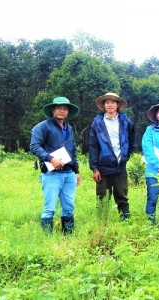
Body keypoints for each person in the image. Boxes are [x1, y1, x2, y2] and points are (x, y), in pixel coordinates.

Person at [30, 96, 81, 235]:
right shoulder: (42, 127)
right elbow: (34, 146)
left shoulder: (69, 128)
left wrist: (76, 171)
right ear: (53, 110)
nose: (62, 111)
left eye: (65, 109)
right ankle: (47, 239)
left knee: (69, 207)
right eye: (59, 108)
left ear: (68, 112)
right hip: (51, 174)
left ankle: (67, 236)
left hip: (68, 174)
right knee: (49, 208)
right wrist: (50, 158)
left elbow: (72, 151)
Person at [89, 92, 135, 221]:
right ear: (103, 105)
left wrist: (125, 156)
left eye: (113, 102)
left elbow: (132, 142)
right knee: (102, 195)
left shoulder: (126, 122)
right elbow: (93, 146)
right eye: (107, 102)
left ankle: (125, 219)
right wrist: (94, 168)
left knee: (122, 194)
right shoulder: (97, 123)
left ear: (118, 105)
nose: (110, 105)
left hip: (120, 165)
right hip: (103, 167)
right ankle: (101, 221)